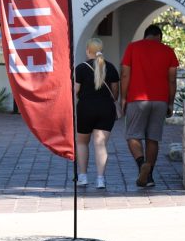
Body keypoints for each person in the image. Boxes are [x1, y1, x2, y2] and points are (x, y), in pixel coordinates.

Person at [120, 24, 179, 187]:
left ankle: (141, 165)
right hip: (160, 100)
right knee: (153, 138)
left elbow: (125, 74)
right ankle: (149, 177)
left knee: (132, 136)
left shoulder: (133, 48)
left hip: (137, 99)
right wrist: (170, 102)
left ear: (145, 35)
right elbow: (172, 79)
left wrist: (123, 98)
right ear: (159, 37)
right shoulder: (168, 51)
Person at [74, 38, 120, 189]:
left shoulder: (80, 68)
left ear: (88, 50)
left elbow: (76, 91)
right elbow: (115, 94)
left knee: (82, 142)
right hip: (106, 109)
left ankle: (83, 176)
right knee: (100, 144)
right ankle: (101, 179)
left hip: (85, 108)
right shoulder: (111, 67)